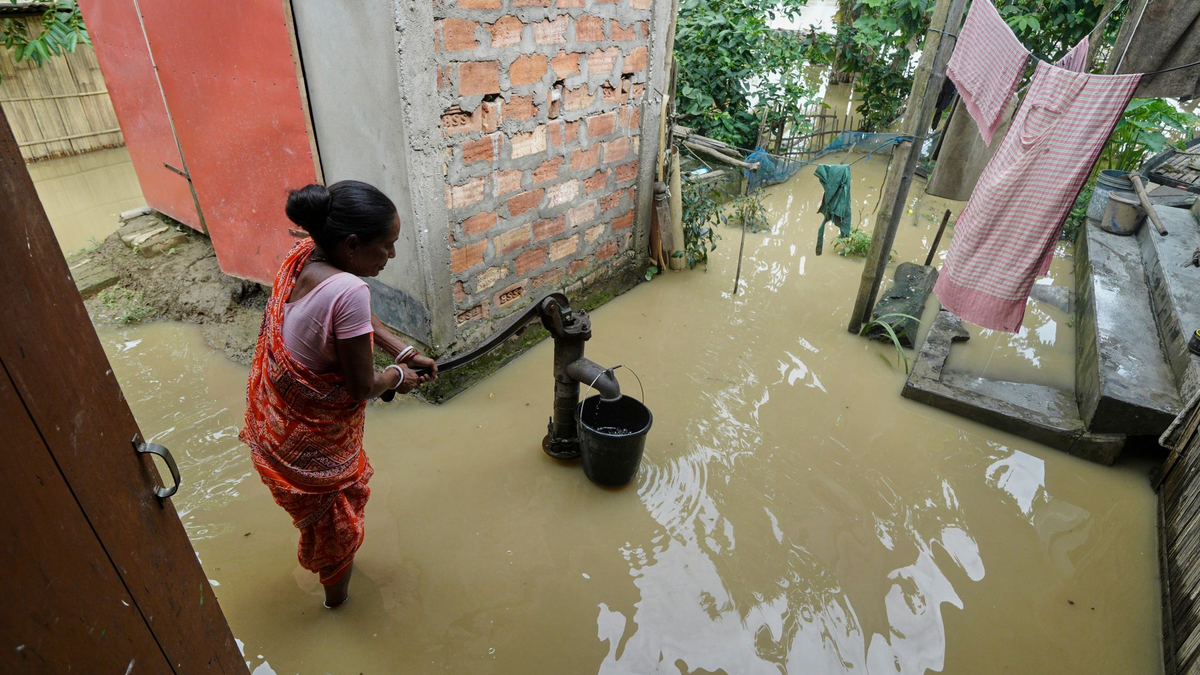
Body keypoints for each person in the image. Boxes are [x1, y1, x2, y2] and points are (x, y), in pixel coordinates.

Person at [239, 180, 437, 608]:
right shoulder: (350, 290)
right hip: (309, 456)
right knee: (337, 536)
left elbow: (349, 317)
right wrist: (398, 376)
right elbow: (361, 387)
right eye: (387, 245)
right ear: (351, 244)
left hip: (272, 429)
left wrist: (400, 349)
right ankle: (336, 607)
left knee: (325, 527)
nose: (393, 256)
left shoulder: (304, 256)